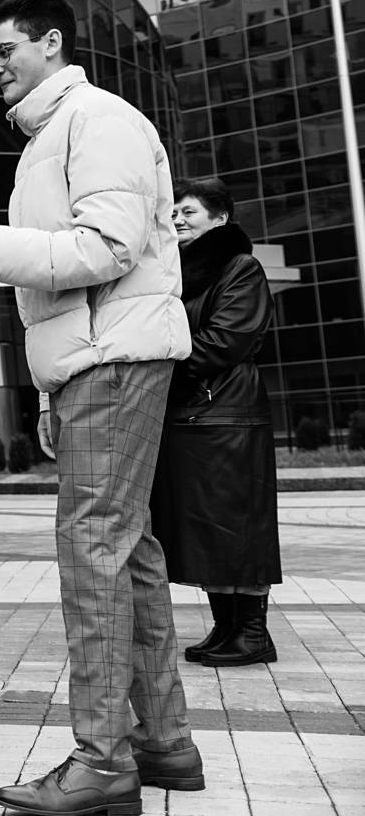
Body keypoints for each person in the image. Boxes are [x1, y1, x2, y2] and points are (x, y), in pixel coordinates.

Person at [0, 0, 203, 815]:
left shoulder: (98, 120)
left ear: (52, 43)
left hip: (114, 358)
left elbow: (107, 247)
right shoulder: (54, 136)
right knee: (128, 549)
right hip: (97, 361)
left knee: (92, 548)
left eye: (4, 50)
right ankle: (163, 742)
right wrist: (52, 386)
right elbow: (70, 277)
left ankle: (102, 760)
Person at [152, 178, 281, 668]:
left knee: (238, 525)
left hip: (229, 415)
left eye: (189, 212)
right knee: (208, 528)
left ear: (221, 218)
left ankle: (253, 633)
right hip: (196, 415)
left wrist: (161, 367)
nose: (178, 219)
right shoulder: (178, 273)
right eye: (174, 213)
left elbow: (227, 339)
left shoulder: (239, 267)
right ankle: (227, 627)